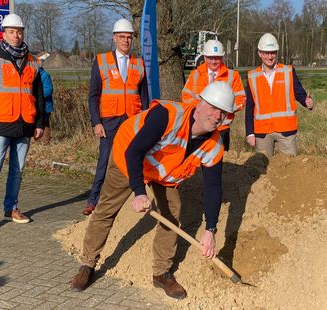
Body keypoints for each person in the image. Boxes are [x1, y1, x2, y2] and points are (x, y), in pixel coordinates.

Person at [69, 82, 235, 299]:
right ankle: (87, 265)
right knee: (106, 209)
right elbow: (134, 152)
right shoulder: (167, 115)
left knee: (172, 214)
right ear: (201, 104)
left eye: (222, 113)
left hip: (162, 172)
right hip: (128, 157)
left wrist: (210, 230)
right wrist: (139, 192)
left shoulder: (214, 146)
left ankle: (161, 273)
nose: (216, 116)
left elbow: (214, 187)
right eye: (213, 108)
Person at [0, 14, 45, 234]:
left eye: (20, 31)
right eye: (12, 31)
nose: (17, 35)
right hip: (0, 124)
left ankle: (11, 208)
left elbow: (39, 95)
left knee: (18, 171)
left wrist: (40, 123)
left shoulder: (34, 61)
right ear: (4, 33)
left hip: (25, 123)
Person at [83, 18, 149, 216]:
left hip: (132, 120)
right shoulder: (102, 60)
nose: (126, 41)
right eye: (122, 37)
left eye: (129, 37)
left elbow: (144, 96)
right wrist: (96, 122)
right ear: (114, 38)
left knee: (135, 158)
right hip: (109, 121)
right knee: (104, 161)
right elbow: (93, 95)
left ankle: (133, 195)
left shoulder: (139, 64)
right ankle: (93, 199)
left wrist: (145, 121)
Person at [181, 39, 246, 234]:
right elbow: (185, 96)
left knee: (216, 163)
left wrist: (224, 109)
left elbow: (241, 98)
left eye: (217, 58)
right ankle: (194, 190)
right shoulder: (196, 74)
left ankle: (215, 195)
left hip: (221, 128)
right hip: (199, 128)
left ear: (222, 57)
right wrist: (203, 109)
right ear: (205, 57)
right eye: (210, 57)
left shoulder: (232, 76)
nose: (214, 61)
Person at [245, 33, 314, 157]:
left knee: (289, 168)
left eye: (272, 53)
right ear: (260, 53)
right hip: (262, 132)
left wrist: (306, 102)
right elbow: (249, 107)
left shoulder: (288, 71)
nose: (270, 57)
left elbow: (299, 93)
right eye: (266, 53)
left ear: (276, 53)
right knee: (262, 169)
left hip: (286, 130)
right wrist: (250, 133)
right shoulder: (252, 76)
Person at [37, 52, 53, 143]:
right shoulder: (35, 75)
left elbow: (48, 90)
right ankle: (38, 140)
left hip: (46, 105)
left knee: (45, 123)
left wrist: (39, 96)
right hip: (38, 104)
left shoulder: (45, 75)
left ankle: (46, 141)